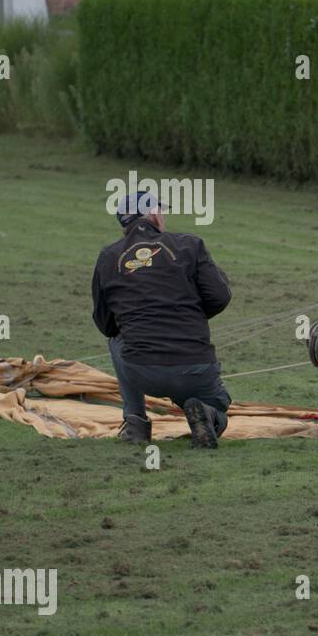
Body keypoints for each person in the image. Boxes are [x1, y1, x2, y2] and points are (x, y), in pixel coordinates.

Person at [91, 192, 233, 448]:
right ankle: (207, 414)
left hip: (141, 372)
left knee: (116, 340)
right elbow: (220, 296)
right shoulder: (190, 245)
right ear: (154, 215)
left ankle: (135, 423)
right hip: (195, 368)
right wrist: (189, 316)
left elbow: (106, 325)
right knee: (218, 405)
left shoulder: (108, 257)